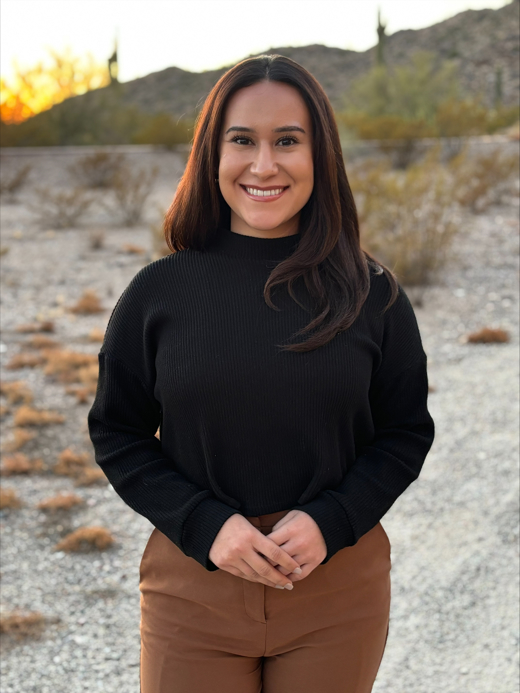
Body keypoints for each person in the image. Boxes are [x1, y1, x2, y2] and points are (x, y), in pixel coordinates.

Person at [87, 54, 435, 693]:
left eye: (288, 141)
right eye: (243, 140)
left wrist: (333, 519)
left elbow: (405, 433)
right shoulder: (157, 293)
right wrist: (206, 525)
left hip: (336, 592)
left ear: (320, 156)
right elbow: (117, 432)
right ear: (212, 153)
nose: (264, 165)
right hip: (194, 588)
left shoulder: (373, 295)